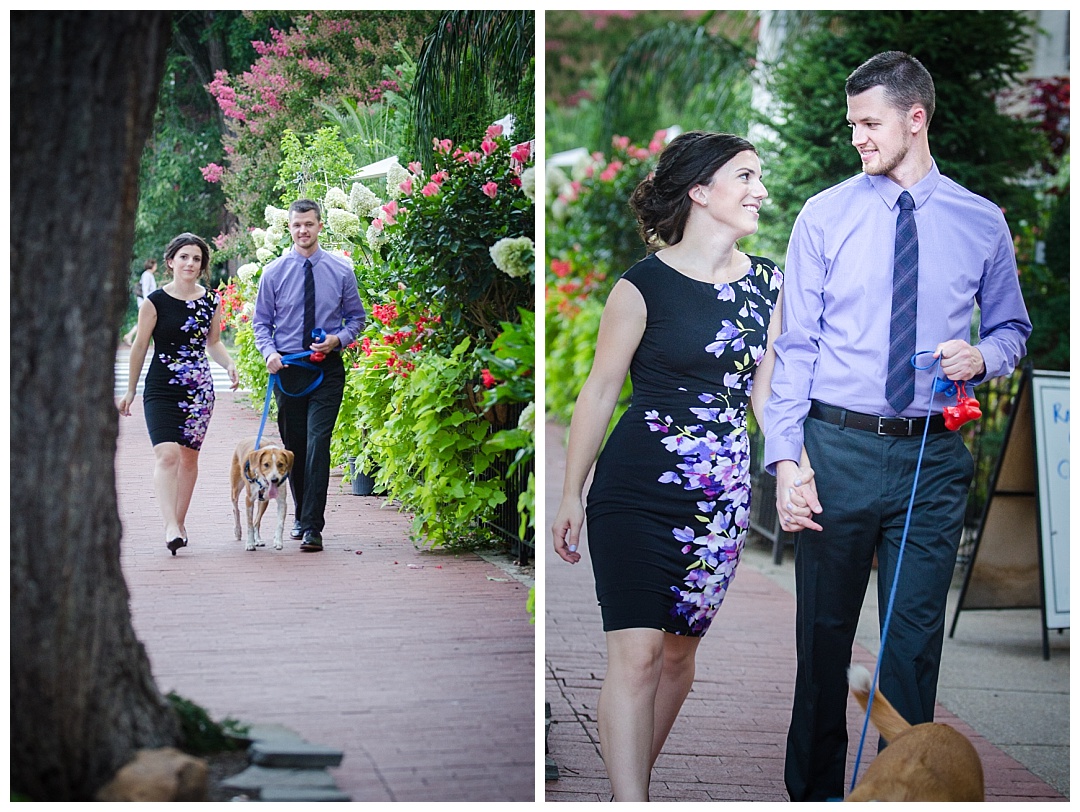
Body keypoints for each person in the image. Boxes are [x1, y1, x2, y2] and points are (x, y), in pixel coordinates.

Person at [763, 51, 1032, 802]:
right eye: (852, 123)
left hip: (931, 460)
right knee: (822, 642)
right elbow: (796, 348)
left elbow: (1011, 329)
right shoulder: (824, 215)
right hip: (836, 451)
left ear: (916, 119)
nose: (857, 137)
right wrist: (787, 461)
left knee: (912, 647)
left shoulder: (981, 222)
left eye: (869, 122)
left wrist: (981, 357)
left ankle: (907, 795)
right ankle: (814, 796)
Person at [551, 131, 813, 801]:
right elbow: (600, 391)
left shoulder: (769, 286)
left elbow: (767, 396)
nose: (760, 190)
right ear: (699, 191)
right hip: (635, 491)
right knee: (637, 653)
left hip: (722, 503)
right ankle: (631, 799)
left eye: (759, 176)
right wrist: (571, 493)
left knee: (677, 655)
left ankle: (630, 781)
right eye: (745, 176)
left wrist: (793, 466)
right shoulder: (642, 286)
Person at [252, 199, 366, 553]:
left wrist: (339, 339)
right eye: (297, 225)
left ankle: (313, 526)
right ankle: (301, 516)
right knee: (295, 448)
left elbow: (357, 318)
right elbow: (261, 324)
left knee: (318, 443)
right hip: (288, 370)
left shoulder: (341, 270)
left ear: (320, 226)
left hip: (326, 370)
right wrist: (269, 353)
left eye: (309, 224)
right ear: (289, 228)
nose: (303, 230)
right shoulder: (273, 273)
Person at [118, 233, 238, 554]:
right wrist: (130, 389)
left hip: (199, 391)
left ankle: (179, 524)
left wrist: (229, 364)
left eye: (196, 259)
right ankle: (169, 524)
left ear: (202, 266)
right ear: (170, 261)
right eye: (184, 257)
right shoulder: (154, 302)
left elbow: (214, 342)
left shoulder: (211, 300)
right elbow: (140, 346)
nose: (190, 263)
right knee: (167, 454)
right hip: (161, 388)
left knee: (188, 458)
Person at [122, 259, 158, 345]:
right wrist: (147, 302)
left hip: (149, 302)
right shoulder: (147, 275)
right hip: (145, 302)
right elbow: (145, 289)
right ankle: (130, 336)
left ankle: (129, 336)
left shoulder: (149, 275)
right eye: (155, 265)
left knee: (145, 321)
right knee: (146, 321)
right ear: (152, 265)